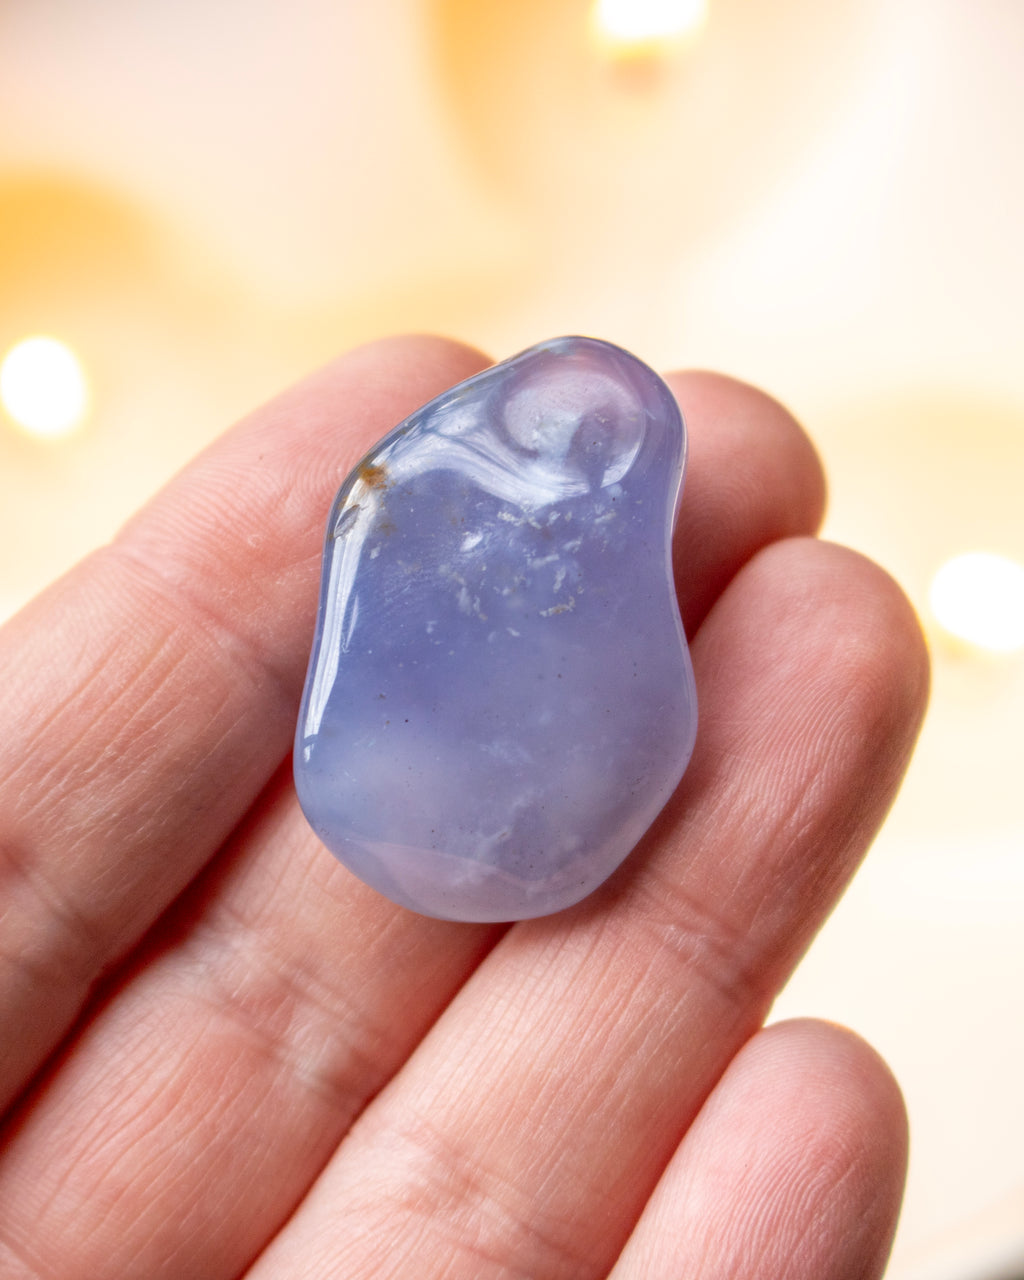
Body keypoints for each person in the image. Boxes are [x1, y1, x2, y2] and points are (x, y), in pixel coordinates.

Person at [0, 336, 928, 1279]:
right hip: (421, 794)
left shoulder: (466, 495)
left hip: (528, 806)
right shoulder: (435, 489)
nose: (562, 450)